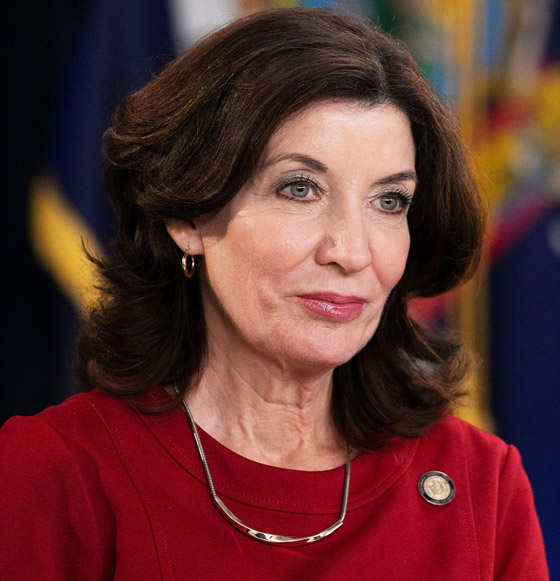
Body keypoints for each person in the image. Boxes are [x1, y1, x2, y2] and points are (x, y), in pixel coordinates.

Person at [0, 8, 548, 580]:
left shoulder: (479, 480)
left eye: (389, 202)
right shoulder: (59, 470)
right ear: (188, 214)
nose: (351, 251)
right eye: (300, 189)